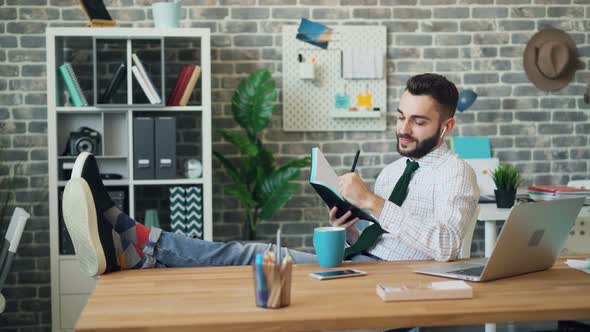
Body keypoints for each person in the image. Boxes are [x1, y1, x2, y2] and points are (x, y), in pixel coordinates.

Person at [62, 73, 479, 277]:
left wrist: (371, 201)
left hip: (391, 279)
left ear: (447, 127)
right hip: (363, 261)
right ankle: (134, 243)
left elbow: (445, 247)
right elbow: (388, 232)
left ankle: (133, 240)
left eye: (419, 122)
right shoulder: (394, 169)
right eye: (401, 116)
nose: (404, 129)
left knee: (252, 257)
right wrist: (350, 226)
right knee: (250, 254)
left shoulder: (456, 173)